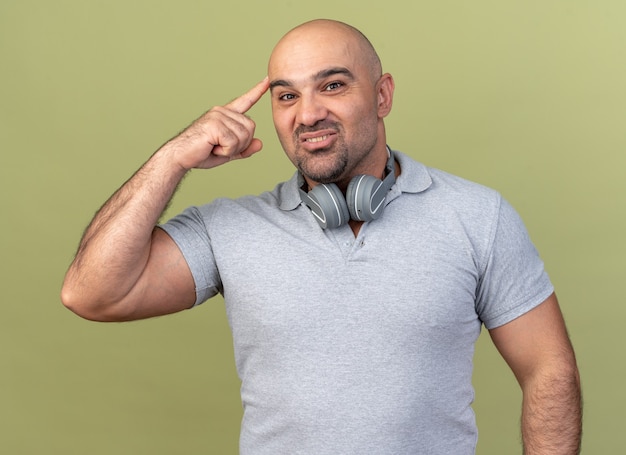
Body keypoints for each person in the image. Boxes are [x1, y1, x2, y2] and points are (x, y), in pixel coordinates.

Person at [61, 19, 582, 454]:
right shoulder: (229, 229)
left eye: (332, 85)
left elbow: (548, 370)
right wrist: (173, 157)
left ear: (382, 95)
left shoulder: (477, 215)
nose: (307, 114)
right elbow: (91, 293)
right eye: (287, 95)